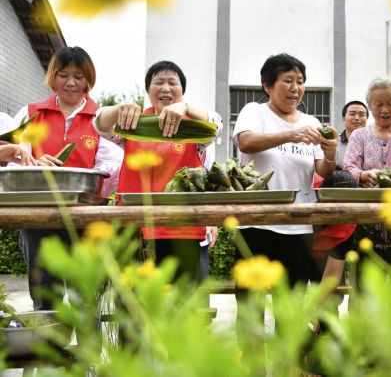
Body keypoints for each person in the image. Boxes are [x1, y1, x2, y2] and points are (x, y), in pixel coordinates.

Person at [232, 53, 337, 354]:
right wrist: (290, 134)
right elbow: (246, 143)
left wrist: (330, 152)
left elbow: (323, 170)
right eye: (287, 81)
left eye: (300, 82)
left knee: (288, 313)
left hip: (297, 227)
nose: (295, 88)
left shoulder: (312, 122)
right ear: (268, 85)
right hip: (255, 224)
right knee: (250, 310)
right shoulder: (255, 111)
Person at [14, 46, 123, 310]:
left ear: (89, 79)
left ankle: (87, 351)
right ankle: (51, 348)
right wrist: (32, 163)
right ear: (52, 76)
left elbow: (116, 165)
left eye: (79, 76)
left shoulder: (102, 121)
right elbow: (10, 156)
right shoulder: (31, 114)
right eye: (63, 75)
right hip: (38, 217)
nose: (71, 83)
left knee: (85, 295)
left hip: (85, 218)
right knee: (45, 295)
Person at [94, 60, 221, 282]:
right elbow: (99, 126)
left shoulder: (195, 128)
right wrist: (118, 109)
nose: (165, 88)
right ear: (148, 90)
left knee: (180, 305)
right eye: (158, 82)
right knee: (134, 305)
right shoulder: (134, 125)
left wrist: (186, 107)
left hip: (182, 229)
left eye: (173, 83)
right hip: (135, 228)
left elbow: (216, 124)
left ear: (182, 91)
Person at [344, 78, 391, 261]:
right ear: (371, 106)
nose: (385, 110)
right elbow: (349, 167)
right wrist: (362, 175)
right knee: (366, 282)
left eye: (390, 103)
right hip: (367, 222)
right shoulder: (359, 136)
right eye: (378, 104)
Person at [336, 101, 368, 169]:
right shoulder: (334, 143)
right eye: (352, 114)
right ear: (343, 118)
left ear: (366, 119)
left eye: (361, 115)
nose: (357, 118)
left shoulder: (375, 144)